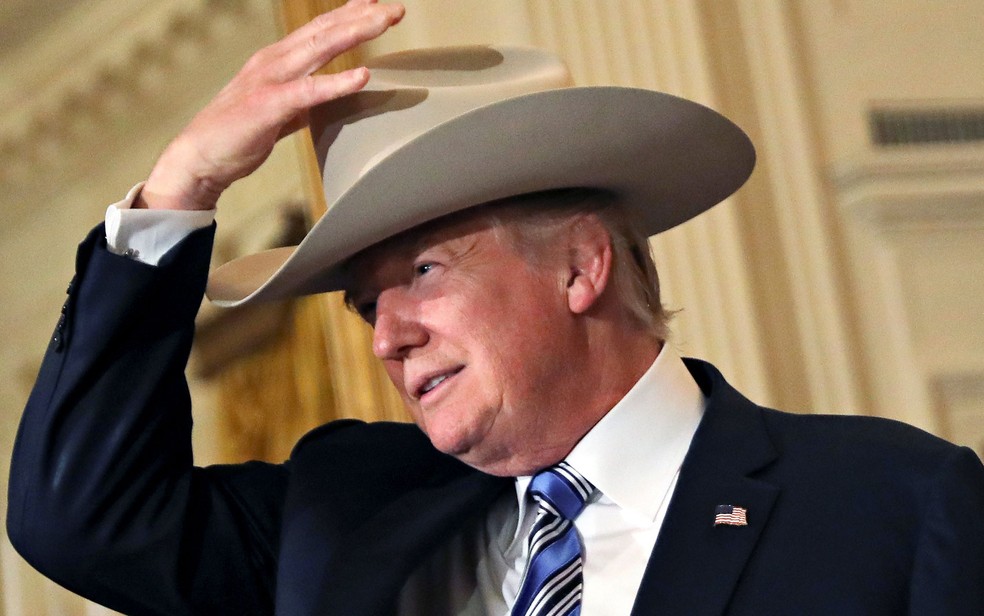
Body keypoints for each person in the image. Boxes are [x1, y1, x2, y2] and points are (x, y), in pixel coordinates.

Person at [7, 1, 984, 614]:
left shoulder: (892, 503)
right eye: (367, 306)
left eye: (425, 272)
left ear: (580, 267)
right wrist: (180, 189)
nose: (388, 337)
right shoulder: (346, 513)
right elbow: (81, 520)